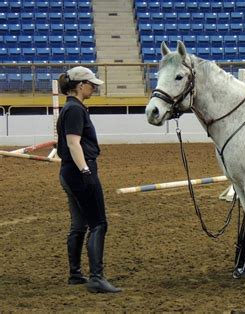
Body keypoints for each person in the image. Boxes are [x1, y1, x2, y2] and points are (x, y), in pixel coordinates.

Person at [57, 66, 121, 293]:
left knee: (79, 224)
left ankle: (75, 274)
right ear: (79, 85)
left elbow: (71, 142)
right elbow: (74, 143)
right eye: (91, 84)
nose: (94, 87)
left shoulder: (71, 108)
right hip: (79, 172)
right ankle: (96, 277)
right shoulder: (75, 110)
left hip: (68, 172)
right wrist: (86, 171)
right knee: (98, 224)